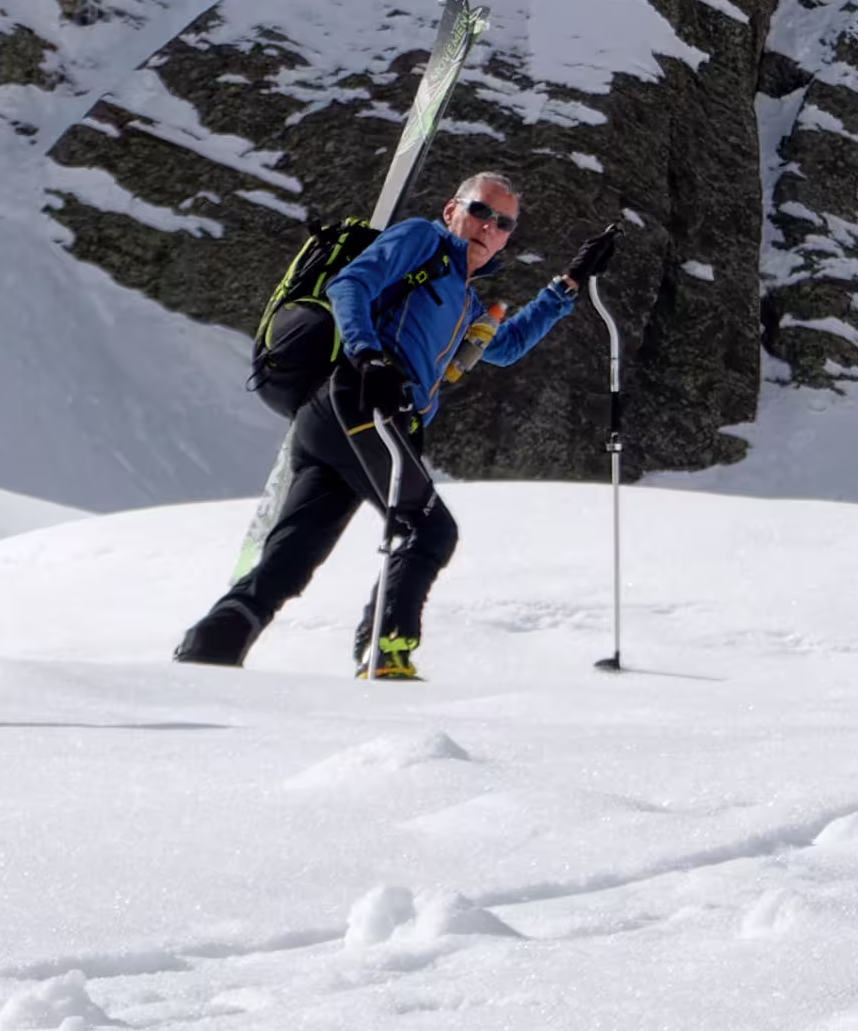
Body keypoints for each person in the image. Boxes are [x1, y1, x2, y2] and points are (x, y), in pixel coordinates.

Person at [173, 170, 614, 677]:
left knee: (291, 560)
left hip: (345, 422)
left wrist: (570, 283)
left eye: (504, 223)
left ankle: (208, 650)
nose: (489, 227)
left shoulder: (468, 301)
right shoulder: (422, 240)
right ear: (453, 210)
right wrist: (369, 358)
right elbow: (350, 283)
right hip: (361, 402)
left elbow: (507, 346)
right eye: (481, 211)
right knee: (430, 530)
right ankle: (386, 652)